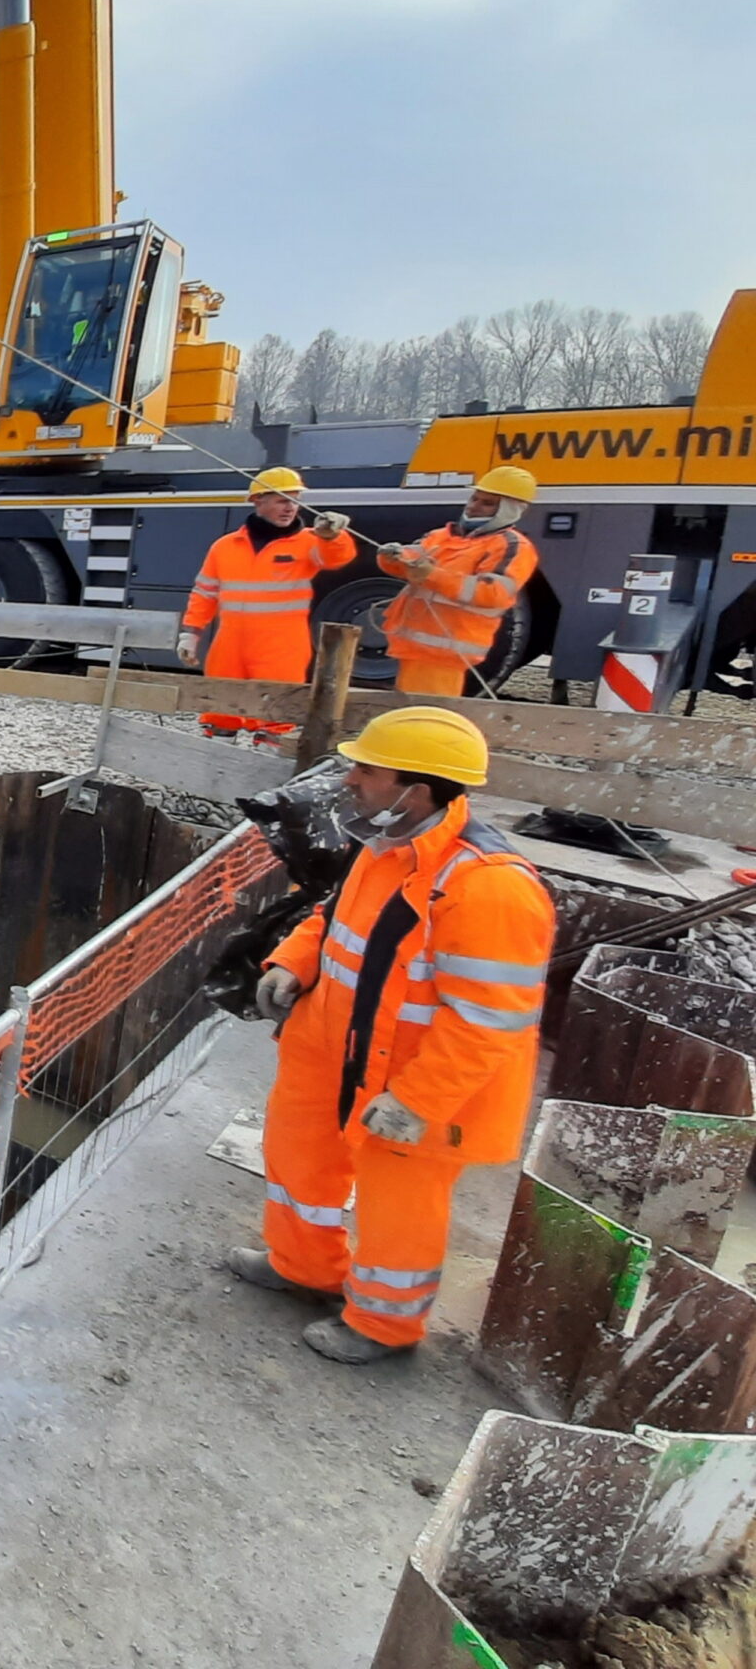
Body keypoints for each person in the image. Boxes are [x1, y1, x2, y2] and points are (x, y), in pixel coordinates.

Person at [229, 706, 554, 1364]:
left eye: (368, 770)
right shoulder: (386, 846)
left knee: (398, 1206)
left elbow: (488, 1022)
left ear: (419, 790)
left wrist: (416, 1100)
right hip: (332, 1051)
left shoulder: (489, 888)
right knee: (298, 1159)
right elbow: (334, 919)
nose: (350, 780)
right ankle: (303, 1266)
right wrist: (293, 961)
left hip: (413, 1082)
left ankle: (383, 1324)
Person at [176, 468, 356, 738]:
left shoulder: (309, 542)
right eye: (283, 500)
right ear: (258, 501)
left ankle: (269, 756)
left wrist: (334, 537)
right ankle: (216, 754)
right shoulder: (225, 546)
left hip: (281, 644)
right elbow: (204, 593)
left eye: (295, 501)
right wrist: (191, 634)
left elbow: (337, 558)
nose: (290, 508)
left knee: (278, 711)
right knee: (220, 706)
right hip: (230, 642)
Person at [375, 465, 540, 697]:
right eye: (475, 498)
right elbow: (406, 562)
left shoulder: (511, 546)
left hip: (446, 650)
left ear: (510, 510)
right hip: (414, 645)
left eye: (487, 503)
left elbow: (494, 593)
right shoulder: (441, 536)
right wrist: (390, 556)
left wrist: (432, 575)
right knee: (412, 710)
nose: (474, 506)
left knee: (427, 713)